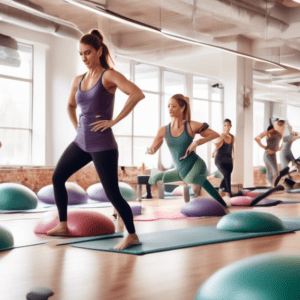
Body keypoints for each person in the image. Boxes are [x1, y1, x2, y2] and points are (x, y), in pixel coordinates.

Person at [47, 29, 145, 251]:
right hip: (81, 142)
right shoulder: (79, 79)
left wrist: (114, 121)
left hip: (103, 144)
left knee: (112, 193)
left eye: (88, 53)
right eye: (81, 54)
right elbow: (71, 105)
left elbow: (137, 93)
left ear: (99, 51)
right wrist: (78, 127)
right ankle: (63, 224)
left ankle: (131, 235)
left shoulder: (109, 76)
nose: (84, 58)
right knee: (57, 176)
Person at [147, 94, 229, 207]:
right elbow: (153, 148)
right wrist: (150, 150)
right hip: (181, 169)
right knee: (155, 178)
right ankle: (222, 203)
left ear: (182, 108)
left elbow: (214, 134)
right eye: (168, 106)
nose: (170, 109)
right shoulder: (163, 130)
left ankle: (211, 200)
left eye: (174, 106)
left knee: (193, 186)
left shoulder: (190, 126)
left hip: (196, 165)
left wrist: (196, 142)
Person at [254, 119, 285, 186]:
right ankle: (273, 186)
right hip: (267, 154)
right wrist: (263, 146)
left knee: (272, 172)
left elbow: (281, 141)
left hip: (273, 154)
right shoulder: (268, 132)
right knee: (273, 172)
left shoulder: (279, 133)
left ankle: (272, 186)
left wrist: (279, 148)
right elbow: (256, 138)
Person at [212, 119, 235, 197]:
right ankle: (229, 193)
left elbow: (232, 147)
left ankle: (220, 189)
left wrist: (233, 156)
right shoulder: (222, 135)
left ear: (230, 126)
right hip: (219, 159)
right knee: (226, 175)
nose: (226, 127)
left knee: (227, 175)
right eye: (224, 125)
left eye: (228, 125)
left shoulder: (232, 137)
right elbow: (217, 144)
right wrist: (213, 152)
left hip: (228, 159)